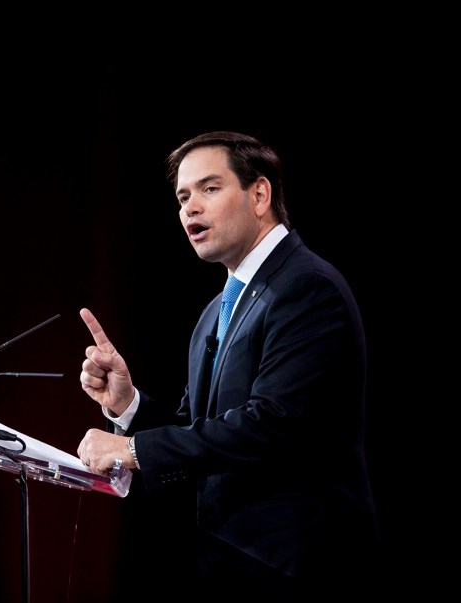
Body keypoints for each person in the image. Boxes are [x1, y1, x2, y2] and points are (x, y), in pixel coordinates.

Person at [75, 131, 381, 599]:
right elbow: (201, 429)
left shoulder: (305, 288)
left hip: (299, 567)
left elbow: (272, 425)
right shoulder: (218, 309)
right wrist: (129, 406)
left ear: (260, 194)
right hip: (231, 564)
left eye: (209, 188)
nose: (190, 208)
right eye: (182, 197)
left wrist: (133, 450)